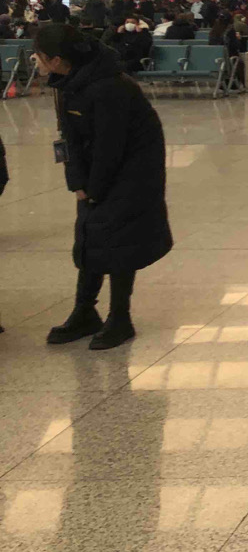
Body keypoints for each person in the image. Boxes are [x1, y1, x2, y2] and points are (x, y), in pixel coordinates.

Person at [32, 24, 172, 350]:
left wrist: (93, 188)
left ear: (55, 60)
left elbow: (111, 146)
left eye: (38, 56)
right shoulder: (68, 82)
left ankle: (120, 318)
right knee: (90, 234)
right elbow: (69, 138)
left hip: (133, 171)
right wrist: (77, 182)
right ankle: (85, 311)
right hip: (100, 166)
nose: (34, 61)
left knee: (120, 240)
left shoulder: (109, 87)